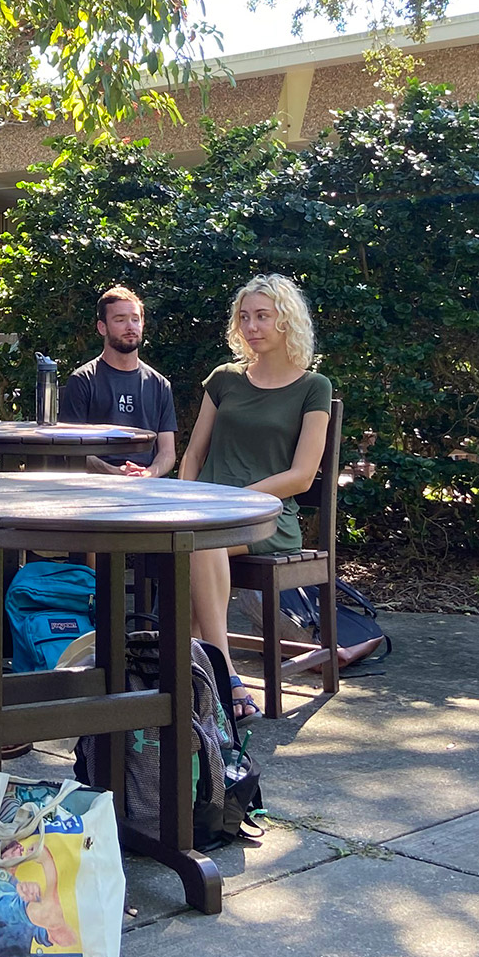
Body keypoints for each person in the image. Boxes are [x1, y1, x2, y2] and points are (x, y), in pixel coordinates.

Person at [179, 274, 333, 720]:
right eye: (244, 317)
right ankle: (194, 677)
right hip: (204, 510)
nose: (251, 326)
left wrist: (234, 503)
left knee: (199, 541)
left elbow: (302, 476)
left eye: (263, 316)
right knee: (191, 537)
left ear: (287, 322)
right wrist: (184, 499)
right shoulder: (224, 379)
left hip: (266, 516)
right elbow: (193, 455)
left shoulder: (313, 387)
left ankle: (219, 672)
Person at [59, 286, 178, 477]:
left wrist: (148, 474)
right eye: (120, 320)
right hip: (96, 486)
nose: (130, 326)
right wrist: (114, 472)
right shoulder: (83, 380)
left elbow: (167, 452)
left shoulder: (159, 384)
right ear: (102, 327)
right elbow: (69, 449)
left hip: (147, 487)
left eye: (135, 319)